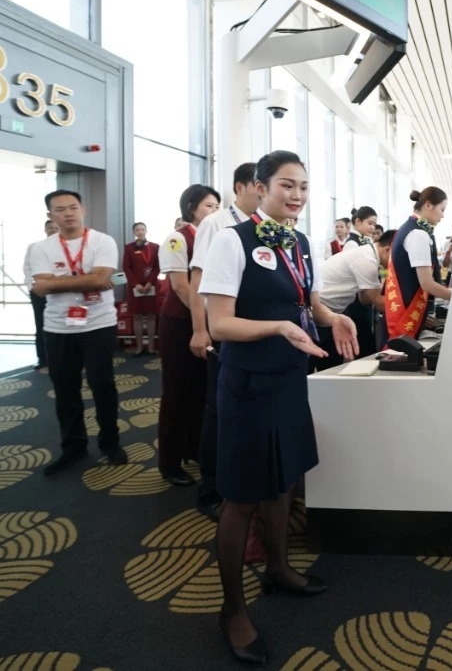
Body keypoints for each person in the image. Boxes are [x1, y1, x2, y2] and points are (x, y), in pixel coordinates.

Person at [199, 150, 358, 665]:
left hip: (290, 377)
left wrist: (331, 317)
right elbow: (221, 323)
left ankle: (279, 568)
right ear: (259, 187)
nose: (297, 195)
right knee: (242, 497)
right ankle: (232, 609)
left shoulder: (298, 240)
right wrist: (279, 328)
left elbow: (304, 300)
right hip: (249, 384)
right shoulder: (232, 240)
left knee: (285, 477)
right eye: (287, 185)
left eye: (304, 187)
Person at [29, 189, 126, 475]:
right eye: (60, 210)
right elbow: (40, 286)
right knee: (65, 390)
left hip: (98, 324)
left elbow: (100, 279)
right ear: (50, 215)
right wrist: (89, 281)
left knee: (103, 385)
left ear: (83, 210)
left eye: (73, 207)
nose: (68, 213)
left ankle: (111, 444)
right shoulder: (40, 248)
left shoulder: (102, 241)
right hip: (58, 327)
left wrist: (59, 281)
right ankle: (73, 447)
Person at [189, 162, 261, 519]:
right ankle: (211, 490)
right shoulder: (217, 223)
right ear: (241, 187)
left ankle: (242, 482)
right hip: (222, 329)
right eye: (258, 185)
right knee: (218, 410)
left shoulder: (266, 226)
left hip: (253, 331)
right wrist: (200, 329)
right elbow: (197, 278)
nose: (264, 192)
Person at [157, 184, 222, 486]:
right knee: (176, 393)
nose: (214, 212)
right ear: (192, 208)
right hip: (180, 323)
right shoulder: (177, 238)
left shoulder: (213, 237)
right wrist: (205, 322)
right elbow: (182, 287)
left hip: (204, 323)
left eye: (217, 206)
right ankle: (169, 461)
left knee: (200, 391)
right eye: (209, 206)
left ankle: (193, 448)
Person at [318, 229, 394, 368]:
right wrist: (408, 305)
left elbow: (365, 299)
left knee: (332, 360)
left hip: (332, 311)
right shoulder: (367, 260)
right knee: (327, 362)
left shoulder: (367, 254)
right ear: (387, 250)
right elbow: (378, 303)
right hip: (321, 310)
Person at [386, 187, 452, 342]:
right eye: (442, 209)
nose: (443, 215)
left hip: (400, 308)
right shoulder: (418, 234)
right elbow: (427, 284)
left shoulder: (407, 227)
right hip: (406, 312)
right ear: (428, 205)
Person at [25, 220, 59, 369]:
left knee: (62, 324)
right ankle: (42, 359)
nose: (52, 230)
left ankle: (61, 358)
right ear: (45, 229)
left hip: (59, 292)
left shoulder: (65, 248)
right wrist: (30, 287)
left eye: (55, 228)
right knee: (40, 325)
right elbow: (27, 267)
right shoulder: (34, 247)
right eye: (50, 227)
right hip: (38, 291)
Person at [123, 222, 160, 356]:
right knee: (137, 316)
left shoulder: (155, 247)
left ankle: (150, 346)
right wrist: (136, 284)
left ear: (146, 231)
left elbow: (157, 266)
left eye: (142, 229)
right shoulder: (129, 248)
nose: (140, 232)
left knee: (151, 316)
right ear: (134, 232)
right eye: (137, 230)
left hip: (151, 286)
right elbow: (126, 267)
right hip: (135, 287)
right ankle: (139, 346)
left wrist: (150, 282)